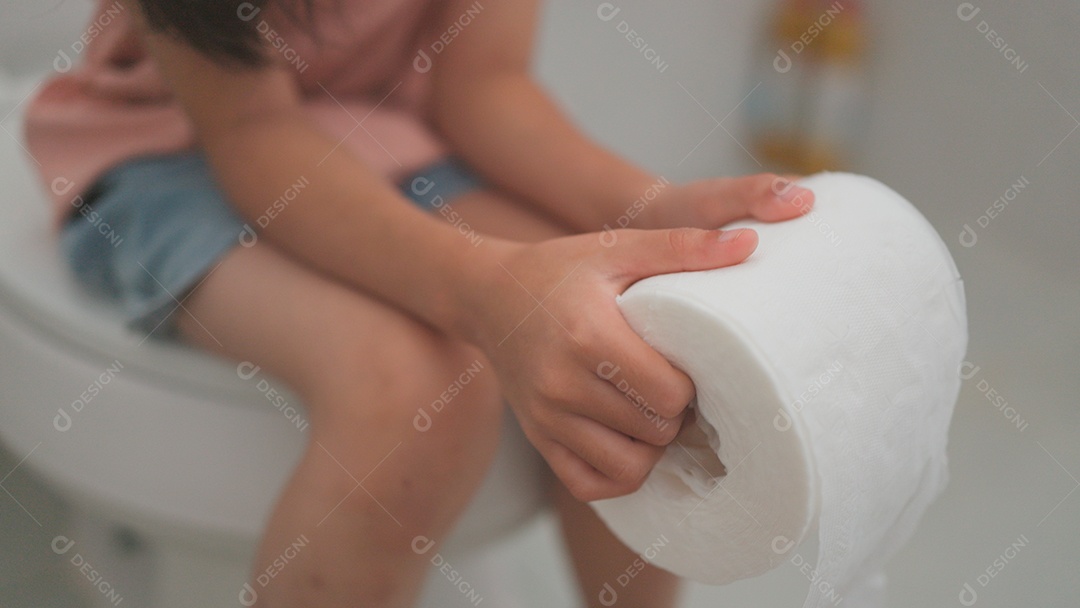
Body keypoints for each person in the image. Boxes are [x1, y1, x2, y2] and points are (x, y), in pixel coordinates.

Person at [23, 0, 813, 606]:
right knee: (413, 391)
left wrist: (650, 207)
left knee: (629, 329)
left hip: (376, 130)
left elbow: (486, 86)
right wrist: (486, 292)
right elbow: (254, 129)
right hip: (170, 145)